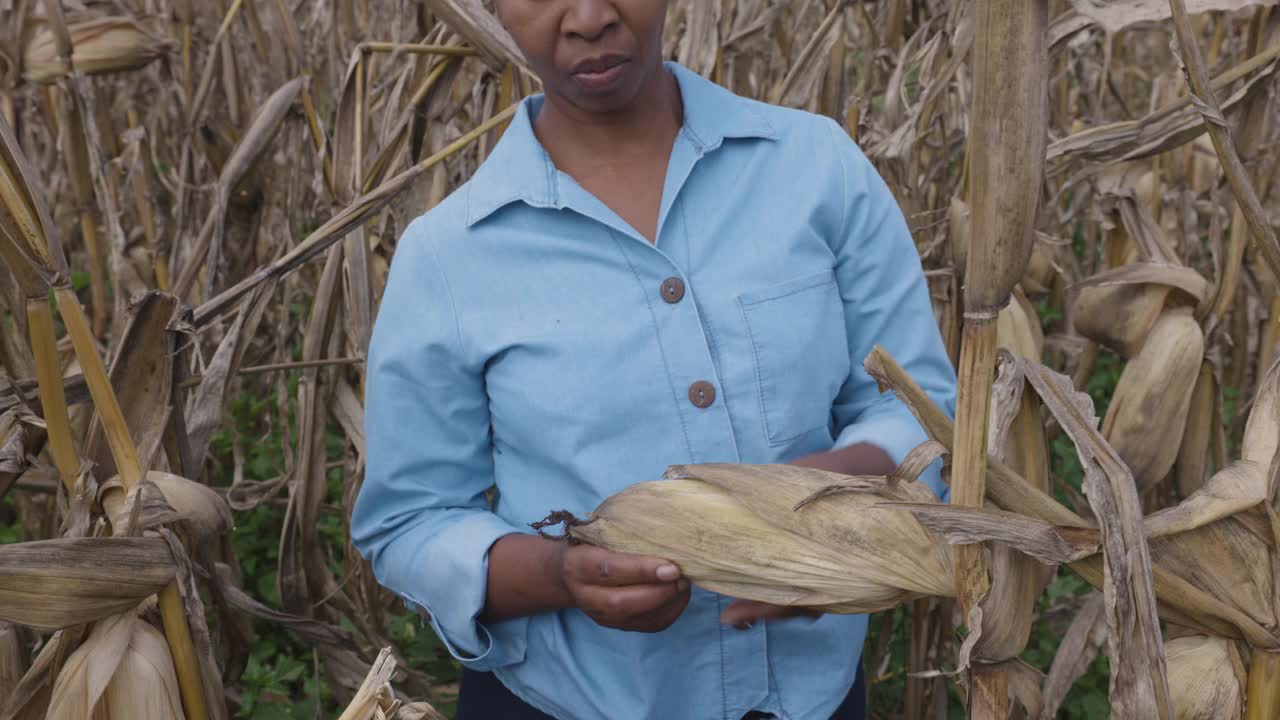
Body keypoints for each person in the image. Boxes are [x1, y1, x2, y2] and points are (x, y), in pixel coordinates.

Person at [350, 1, 957, 718]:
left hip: (812, 698)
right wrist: (561, 575)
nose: (587, 17)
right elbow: (411, 520)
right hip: (566, 702)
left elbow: (920, 407)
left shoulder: (818, 169)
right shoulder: (450, 255)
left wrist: (820, 510)